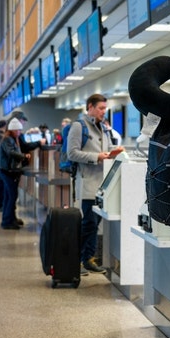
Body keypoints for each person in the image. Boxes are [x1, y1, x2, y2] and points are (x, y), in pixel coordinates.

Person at [66, 94, 123, 274]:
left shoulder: (104, 128)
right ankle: (75, 260)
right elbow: (72, 153)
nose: (103, 112)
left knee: (94, 223)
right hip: (88, 184)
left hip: (103, 185)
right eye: (100, 108)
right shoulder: (78, 127)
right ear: (90, 107)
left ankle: (88, 258)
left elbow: (104, 151)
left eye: (105, 108)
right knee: (88, 223)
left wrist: (115, 152)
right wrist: (95, 157)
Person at [0, 118, 29, 230]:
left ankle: (11, 218)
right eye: (19, 130)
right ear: (14, 130)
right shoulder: (8, 140)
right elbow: (11, 152)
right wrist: (23, 156)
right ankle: (7, 221)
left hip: (9, 171)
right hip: (7, 171)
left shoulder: (11, 139)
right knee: (11, 196)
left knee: (9, 196)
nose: (20, 132)